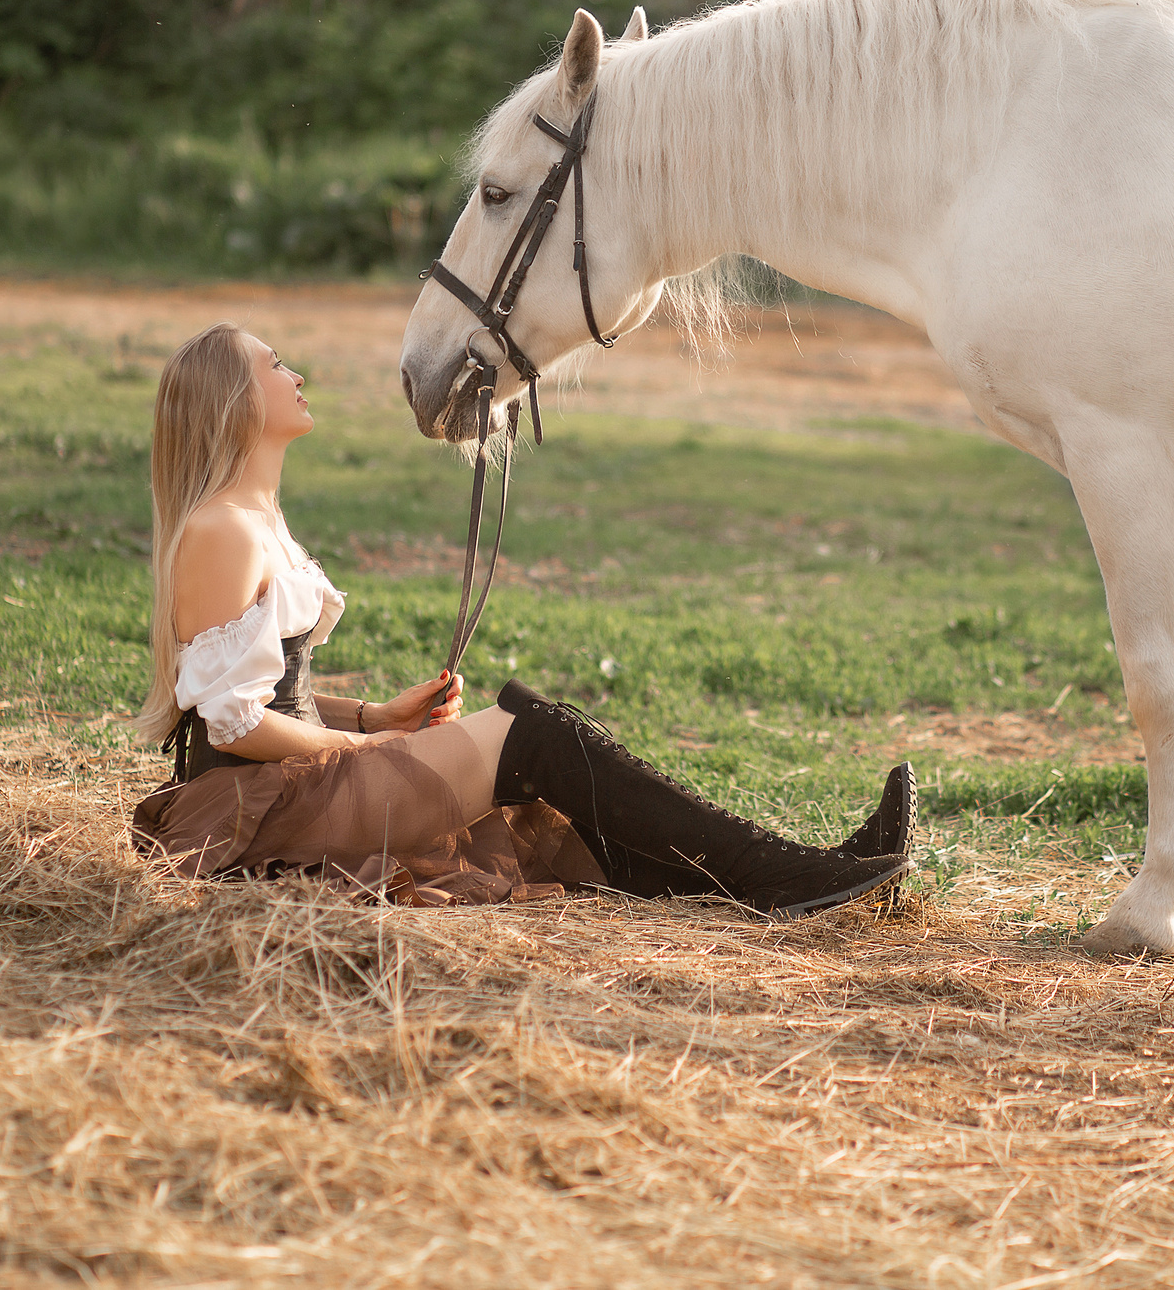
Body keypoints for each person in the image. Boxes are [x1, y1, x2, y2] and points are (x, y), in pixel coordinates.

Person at [129, 321, 913, 911]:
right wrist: (358, 748)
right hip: (260, 811)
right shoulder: (223, 530)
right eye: (274, 364)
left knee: (534, 786)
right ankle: (784, 875)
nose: (296, 371)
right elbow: (232, 725)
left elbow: (257, 694)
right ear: (234, 400)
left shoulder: (250, 518)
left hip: (290, 791)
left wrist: (375, 714)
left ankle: (782, 880)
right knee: (531, 731)